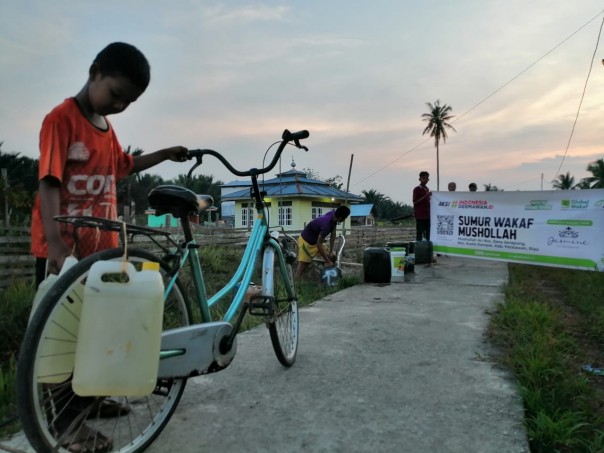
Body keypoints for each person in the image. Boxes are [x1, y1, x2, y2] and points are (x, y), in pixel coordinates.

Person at [30, 42, 189, 452]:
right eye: (116, 94)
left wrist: (165, 153)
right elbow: (48, 181)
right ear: (94, 71)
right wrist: (55, 245)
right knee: (59, 344)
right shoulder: (61, 120)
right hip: (62, 254)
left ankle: (92, 400)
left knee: (97, 332)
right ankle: (65, 425)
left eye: (128, 101)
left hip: (101, 253)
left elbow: (126, 165)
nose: (119, 105)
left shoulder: (106, 127)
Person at [295, 205, 351, 280]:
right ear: (341, 218)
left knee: (332, 257)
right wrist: (327, 261)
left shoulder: (334, 216)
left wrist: (331, 251)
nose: (345, 219)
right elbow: (319, 244)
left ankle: (329, 279)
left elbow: (333, 234)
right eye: (345, 218)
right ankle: (295, 286)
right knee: (302, 266)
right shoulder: (326, 225)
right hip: (305, 242)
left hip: (315, 242)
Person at [412, 171, 431, 241]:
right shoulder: (416, 189)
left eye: (426, 178)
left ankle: (427, 248)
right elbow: (415, 202)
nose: (425, 180)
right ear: (420, 179)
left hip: (428, 215)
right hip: (420, 216)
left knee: (428, 233)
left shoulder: (427, 189)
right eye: (423, 178)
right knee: (419, 234)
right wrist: (426, 196)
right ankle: (419, 249)